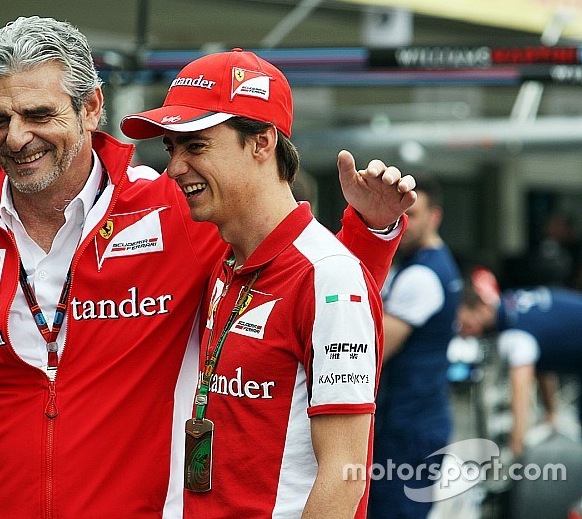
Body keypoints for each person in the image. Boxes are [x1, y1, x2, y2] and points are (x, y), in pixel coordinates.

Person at [0, 16, 414, 518]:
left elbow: (298, 275)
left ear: (90, 108)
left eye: (39, 114)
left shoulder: (180, 209)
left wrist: (371, 233)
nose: (16, 138)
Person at [120, 47, 414, 519]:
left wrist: (369, 237)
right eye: (171, 148)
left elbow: (344, 474)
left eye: (196, 145)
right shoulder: (226, 265)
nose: (174, 168)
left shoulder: (329, 274)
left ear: (262, 143)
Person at [365, 176, 462, 518]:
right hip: (417, 418)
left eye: (414, 215)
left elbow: (372, 353)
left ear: (435, 217)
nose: (403, 225)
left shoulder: (421, 277)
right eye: (399, 216)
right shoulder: (433, 264)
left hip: (407, 428)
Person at [457, 267, 582, 458]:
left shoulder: (514, 331)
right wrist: (551, 411)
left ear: (482, 307)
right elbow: (541, 360)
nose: (466, 333)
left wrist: (517, 451)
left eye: (467, 324)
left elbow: (520, 390)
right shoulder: (512, 299)